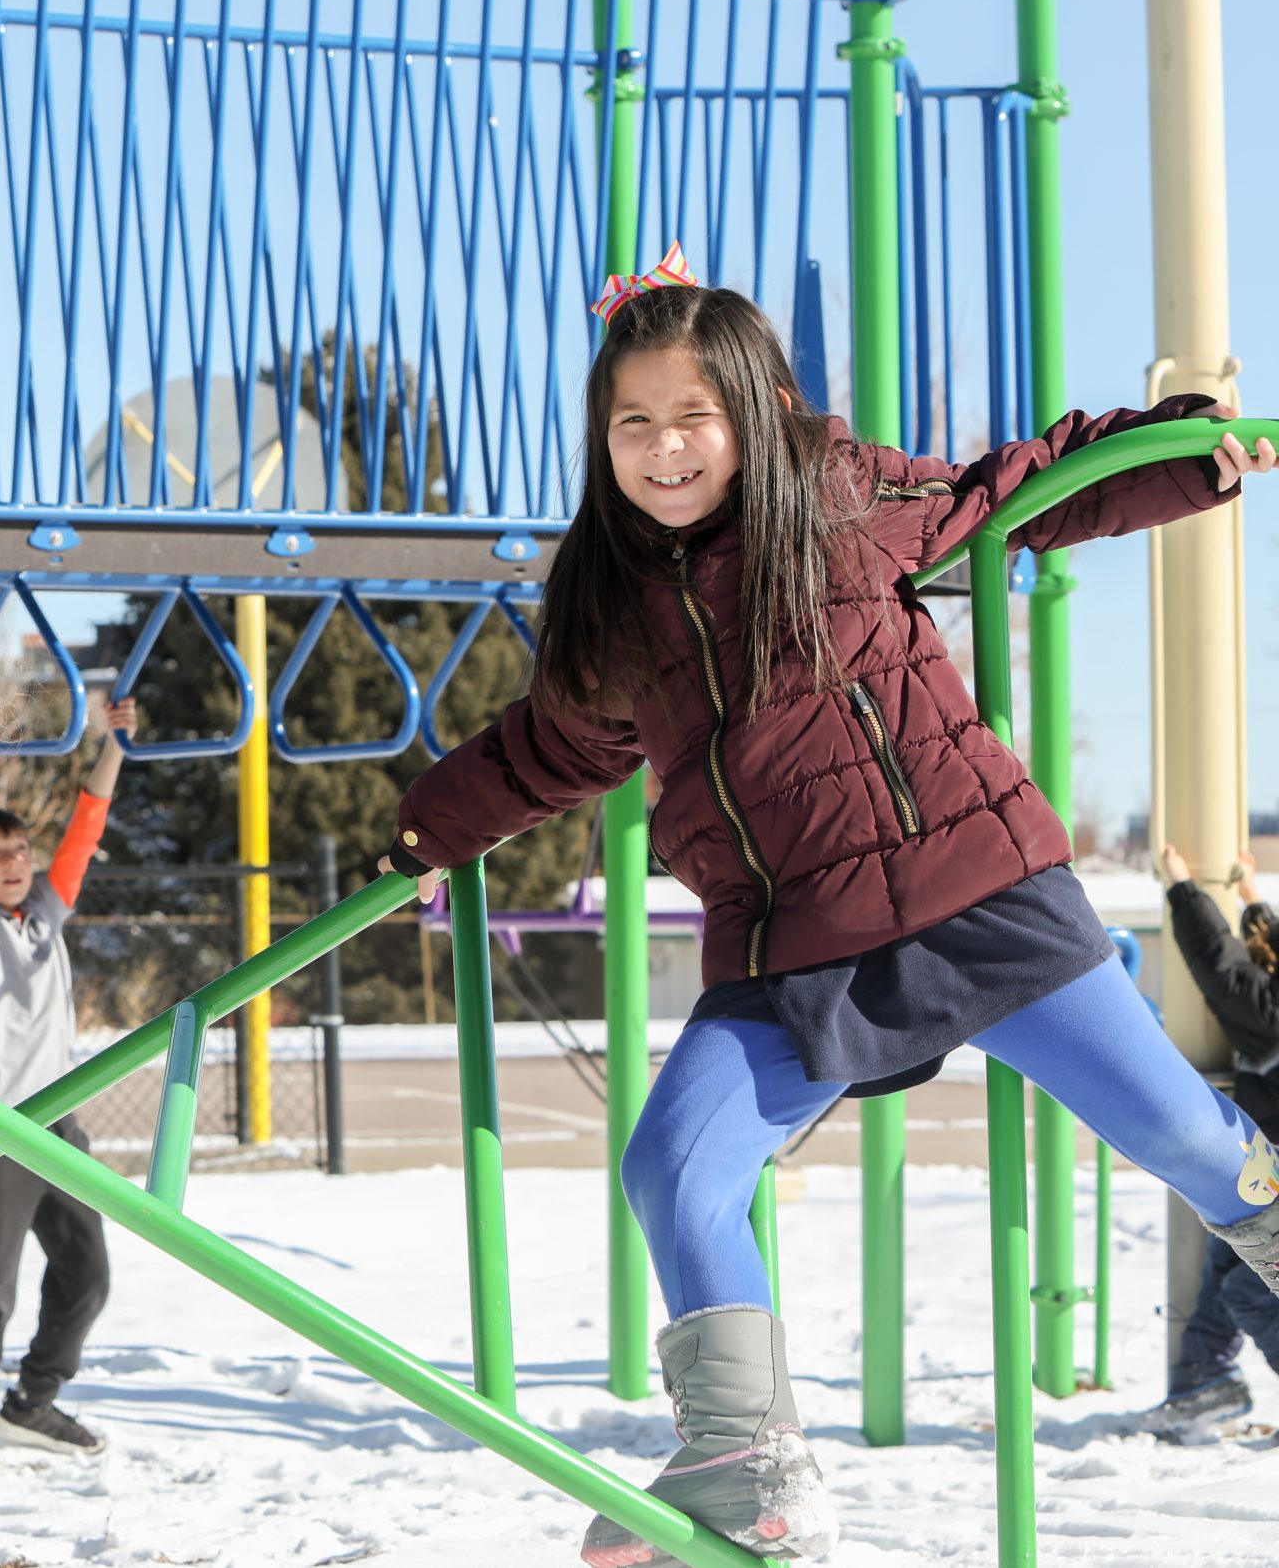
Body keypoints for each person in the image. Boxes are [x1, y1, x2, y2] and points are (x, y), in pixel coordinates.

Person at [378, 247, 1279, 1567]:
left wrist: (1196, 451)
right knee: (674, 1167)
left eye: (695, 416)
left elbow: (1020, 486)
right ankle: (748, 1467)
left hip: (978, 891)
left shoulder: (843, 498)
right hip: (789, 943)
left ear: (751, 410)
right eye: (634, 423)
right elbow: (548, 748)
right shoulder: (614, 605)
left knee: (1182, 1137)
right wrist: (424, 830)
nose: (666, 447)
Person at [0, 696, 136, 1466]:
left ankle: (35, 1399)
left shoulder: (46, 915)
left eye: (20, 848)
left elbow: (85, 829)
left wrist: (113, 743)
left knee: (88, 1274)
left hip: (59, 1127)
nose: (15, 860)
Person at [1138, 842, 1279, 1440]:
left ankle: (1204, 1375)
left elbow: (1216, 962)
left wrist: (1180, 887)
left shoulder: (1267, 1008)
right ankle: (1203, 1377)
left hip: (1266, 1166)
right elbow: (1257, 943)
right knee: (1227, 1263)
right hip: (1262, 1166)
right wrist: (1248, 892)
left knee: (1249, 1290)